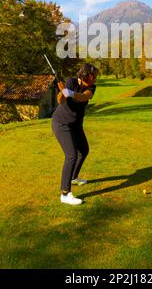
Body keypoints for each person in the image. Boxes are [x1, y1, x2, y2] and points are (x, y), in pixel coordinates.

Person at [51, 63, 99, 205]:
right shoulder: (71, 82)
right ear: (86, 75)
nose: (95, 77)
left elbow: (84, 97)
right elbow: (60, 101)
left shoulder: (91, 87)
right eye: (93, 75)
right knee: (71, 155)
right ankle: (65, 194)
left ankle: (73, 177)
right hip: (61, 123)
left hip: (76, 124)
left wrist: (69, 93)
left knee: (84, 150)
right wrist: (62, 93)